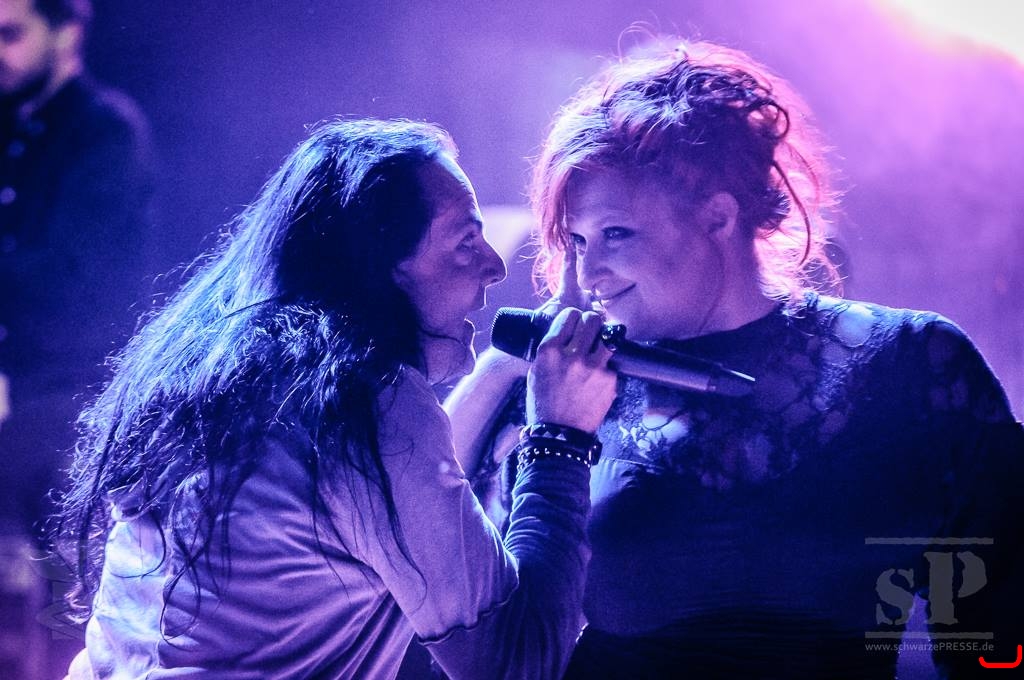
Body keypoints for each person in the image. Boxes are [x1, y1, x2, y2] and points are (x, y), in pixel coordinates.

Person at [446, 39, 1024, 678]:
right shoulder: (572, 385)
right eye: (578, 242)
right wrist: (518, 381)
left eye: (616, 234)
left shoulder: (913, 364)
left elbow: (999, 634)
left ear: (718, 217)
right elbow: (459, 590)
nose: (589, 273)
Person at [53, 118, 617, 679]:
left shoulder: (231, 372)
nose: (495, 266)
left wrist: (517, 360)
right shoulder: (370, 403)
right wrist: (560, 436)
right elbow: (517, 662)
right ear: (380, 263)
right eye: (465, 242)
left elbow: (412, 490)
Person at [0, 0, 155, 537]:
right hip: (19, 387)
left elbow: (74, 278)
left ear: (66, 34)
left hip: (71, 397)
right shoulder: (10, 126)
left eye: (10, 35)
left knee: (48, 565)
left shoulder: (106, 130)